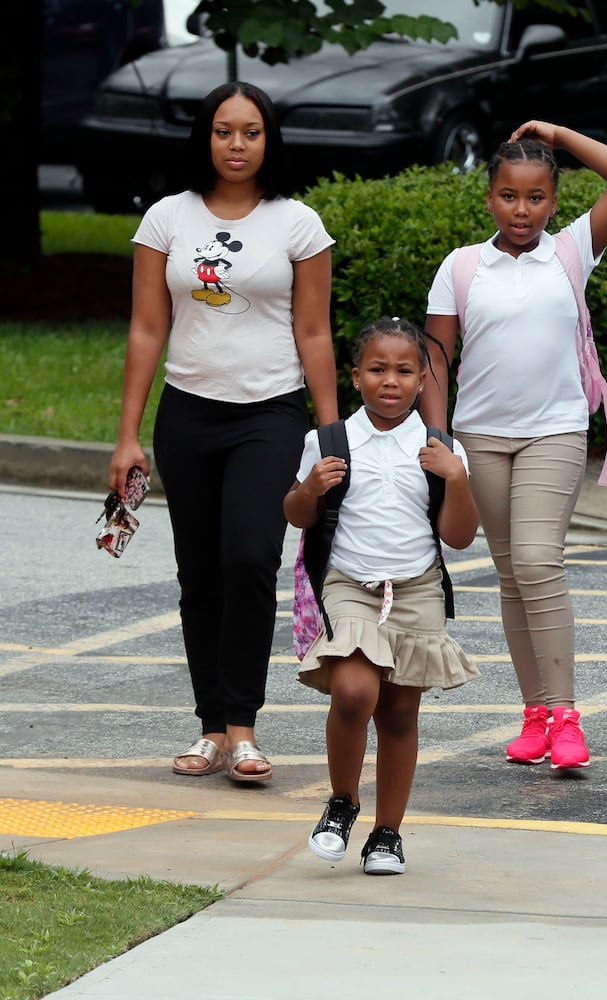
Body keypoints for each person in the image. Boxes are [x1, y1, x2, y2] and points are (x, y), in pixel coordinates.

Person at [109, 81, 338, 783]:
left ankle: (245, 726)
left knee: (248, 557)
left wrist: (330, 433)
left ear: (270, 140)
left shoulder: (298, 222)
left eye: (251, 132)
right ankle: (212, 729)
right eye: (223, 131)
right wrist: (127, 436)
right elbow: (148, 328)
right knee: (198, 574)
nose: (237, 145)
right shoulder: (166, 219)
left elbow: (314, 331)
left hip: (269, 414)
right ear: (204, 138)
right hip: (188, 414)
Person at [422, 121, 607, 771]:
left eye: (537, 197)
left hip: (555, 429)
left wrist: (557, 134)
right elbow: (436, 359)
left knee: (538, 561)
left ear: (554, 201)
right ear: (489, 197)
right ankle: (536, 714)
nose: (523, 210)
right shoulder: (462, 266)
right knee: (512, 574)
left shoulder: (573, 249)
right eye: (509, 196)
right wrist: (439, 437)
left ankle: (568, 715)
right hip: (480, 436)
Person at [284, 317, 479, 874]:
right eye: (376, 369)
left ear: (422, 380)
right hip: (350, 585)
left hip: (417, 589)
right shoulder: (327, 441)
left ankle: (387, 835)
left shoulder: (440, 447)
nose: (389, 381)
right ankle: (342, 802)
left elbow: (459, 536)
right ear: (356, 377)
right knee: (352, 690)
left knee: (398, 713)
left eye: (403, 371)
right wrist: (309, 488)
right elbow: (297, 514)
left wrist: (458, 478)